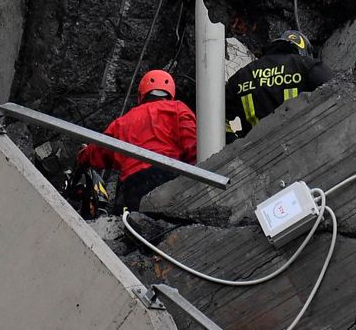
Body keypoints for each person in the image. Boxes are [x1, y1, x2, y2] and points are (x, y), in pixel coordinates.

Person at [77, 69, 197, 211]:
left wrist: (83, 156)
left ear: (141, 94)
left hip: (134, 185)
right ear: (170, 93)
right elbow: (193, 146)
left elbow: (99, 150)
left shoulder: (123, 121)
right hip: (169, 176)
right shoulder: (178, 109)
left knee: (130, 225)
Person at [226, 30, 333, 138]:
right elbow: (336, 93)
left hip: (253, 150)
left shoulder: (243, 75)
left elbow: (214, 113)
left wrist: (231, 142)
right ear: (304, 50)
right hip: (300, 143)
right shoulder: (309, 67)